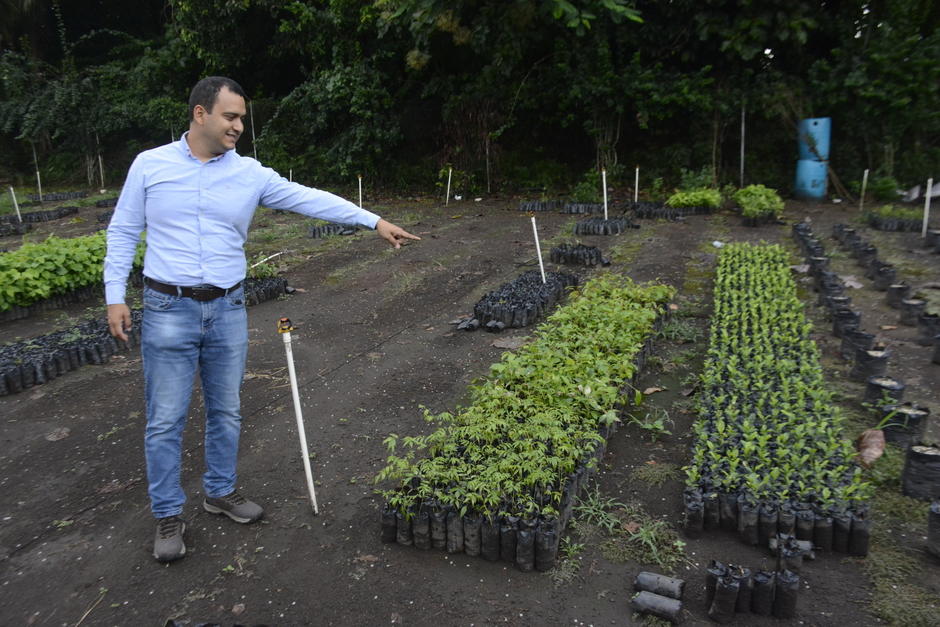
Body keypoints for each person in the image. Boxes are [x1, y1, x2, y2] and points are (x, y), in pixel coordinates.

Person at [104, 76, 419, 563]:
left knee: (226, 410)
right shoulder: (151, 166)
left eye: (242, 119)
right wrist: (113, 296)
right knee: (165, 420)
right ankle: (168, 513)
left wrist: (371, 220)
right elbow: (123, 231)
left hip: (228, 306)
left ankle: (220, 491)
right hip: (168, 307)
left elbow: (307, 196)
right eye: (230, 117)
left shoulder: (250, 173)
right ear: (200, 114)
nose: (238, 127)